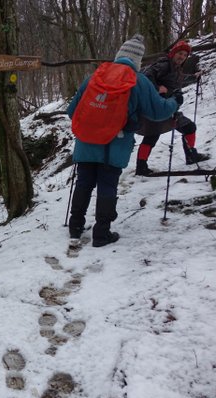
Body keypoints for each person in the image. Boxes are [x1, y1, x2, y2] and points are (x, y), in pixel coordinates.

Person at [67, 34, 179, 247]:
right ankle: (101, 234)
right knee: (107, 185)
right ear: (137, 61)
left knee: (83, 183)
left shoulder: (95, 76)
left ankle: (75, 227)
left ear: (119, 54)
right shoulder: (138, 80)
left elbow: (72, 111)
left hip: (86, 143)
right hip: (114, 145)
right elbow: (158, 111)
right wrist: (175, 101)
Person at [135, 40, 209, 176]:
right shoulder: (164, 64)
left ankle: (191, 156)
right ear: (173, 53)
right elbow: (144, 76)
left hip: (168, 108)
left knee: (188, 127)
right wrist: (157, 88)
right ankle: (141, 167)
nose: (182, 57)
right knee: (152, 135)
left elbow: (178, 80)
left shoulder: (175, 68)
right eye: (180, 53)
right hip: (157, 107)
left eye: (185, 55)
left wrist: (194, 77)